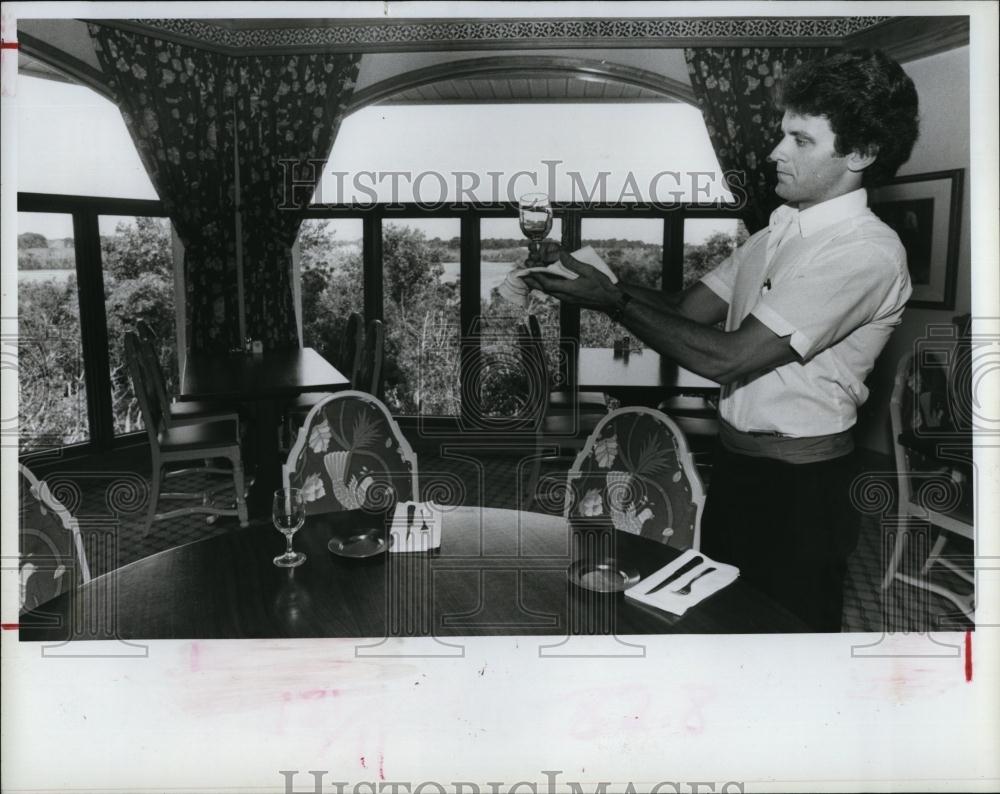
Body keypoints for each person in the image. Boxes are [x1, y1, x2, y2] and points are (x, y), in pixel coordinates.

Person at [523, 49, 919, 632]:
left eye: (801, 140)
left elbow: (726, 356)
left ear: (860, 154)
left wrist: (610, 301)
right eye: (782, 134)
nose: (773, 153)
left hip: (803, 487)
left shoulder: (864, 251)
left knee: (791, 637)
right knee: (725, 622)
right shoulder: (778, 231)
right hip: (736, 465)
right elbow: (687, 311)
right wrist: (591, 277)